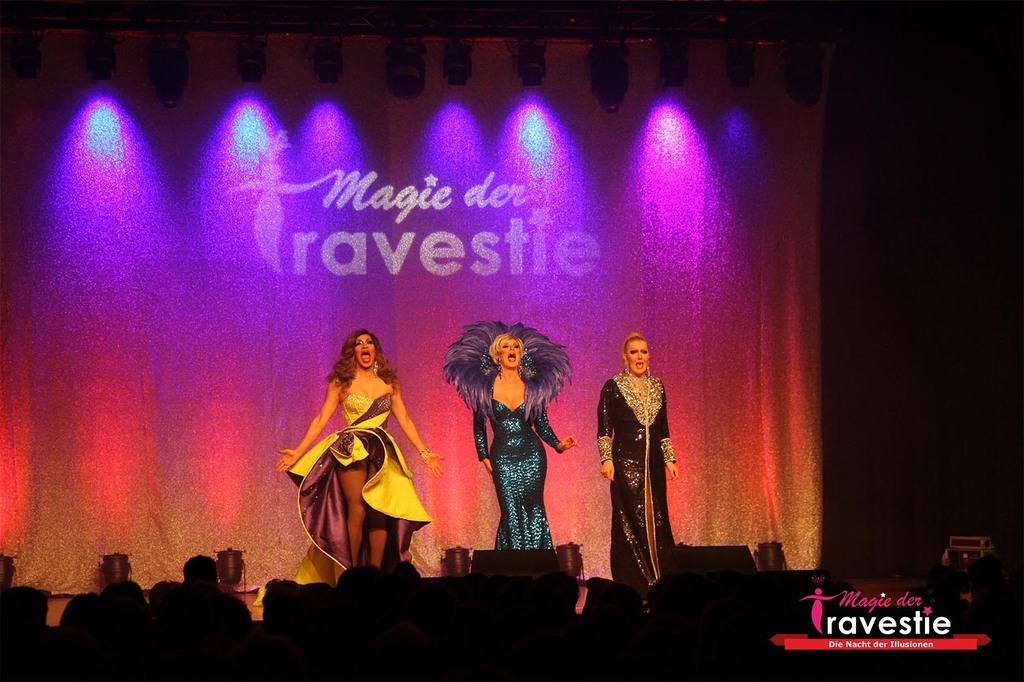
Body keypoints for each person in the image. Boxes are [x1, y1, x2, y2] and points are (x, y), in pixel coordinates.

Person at [274, 329, 444, 584]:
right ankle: (350, 576)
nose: (365, 346)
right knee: (358, 509)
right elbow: (321, 418)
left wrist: (425, 453)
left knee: (380, 512)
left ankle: (374, 577)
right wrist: (298, 451)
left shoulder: (389, 383)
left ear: (375, 350)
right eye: (359, 343)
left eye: (369, 342)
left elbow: (406, 420)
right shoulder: (341, 383)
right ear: (352, 351)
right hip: (352, 448)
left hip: (382, 451)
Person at [444, 321, 577, 550]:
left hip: (532, 455)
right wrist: (484, 456)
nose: (512, 350)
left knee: (534, 509)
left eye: (516, 347)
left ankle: (537, 564)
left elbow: (542, 425)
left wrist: (558, 444)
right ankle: (511, 565)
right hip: (502, 457)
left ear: (521, 355)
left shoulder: (532, 387)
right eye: (506, 347)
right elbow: (479, 427)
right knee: (510, 512)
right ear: (497, 356)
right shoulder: (484, 388)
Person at [597, 332, 679, 594]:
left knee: (657, 517)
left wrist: (669, 459)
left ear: (649, 355)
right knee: (629, 520)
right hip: (625, 462)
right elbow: (604, 429)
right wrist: (606, 459)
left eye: (643, 351)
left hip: (653, 463)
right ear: (625, 356)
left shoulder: (658, 387)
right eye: (634, 352)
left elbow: (663, 428)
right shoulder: (613, 387)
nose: (639, 356)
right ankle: (633, 583)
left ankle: (661, 579)